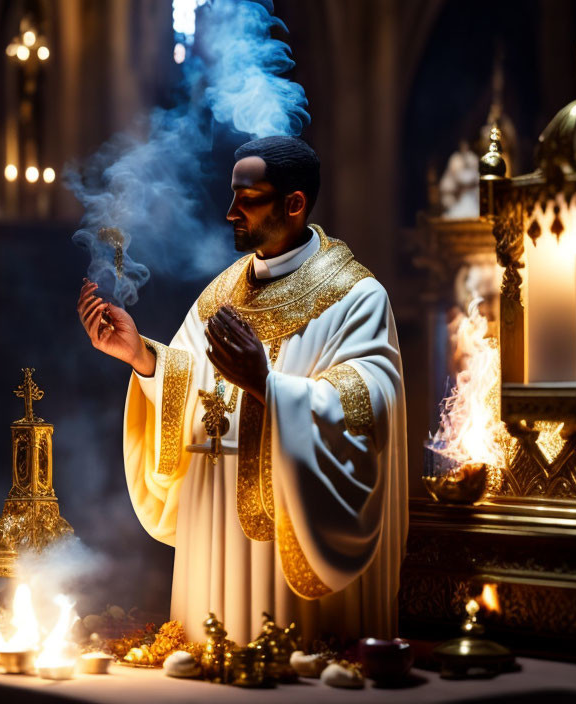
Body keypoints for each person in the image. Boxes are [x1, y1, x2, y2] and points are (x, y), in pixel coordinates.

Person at [77, 136, 408, 645]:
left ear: (294, 204)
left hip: (286, 531)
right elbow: (192, 379)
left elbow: (369, 404)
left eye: (248, 199)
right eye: (233, 195)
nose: (231, 212)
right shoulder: (220, 292)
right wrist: (141, 357)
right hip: (214, 521)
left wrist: (268, 389)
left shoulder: (357, 298)